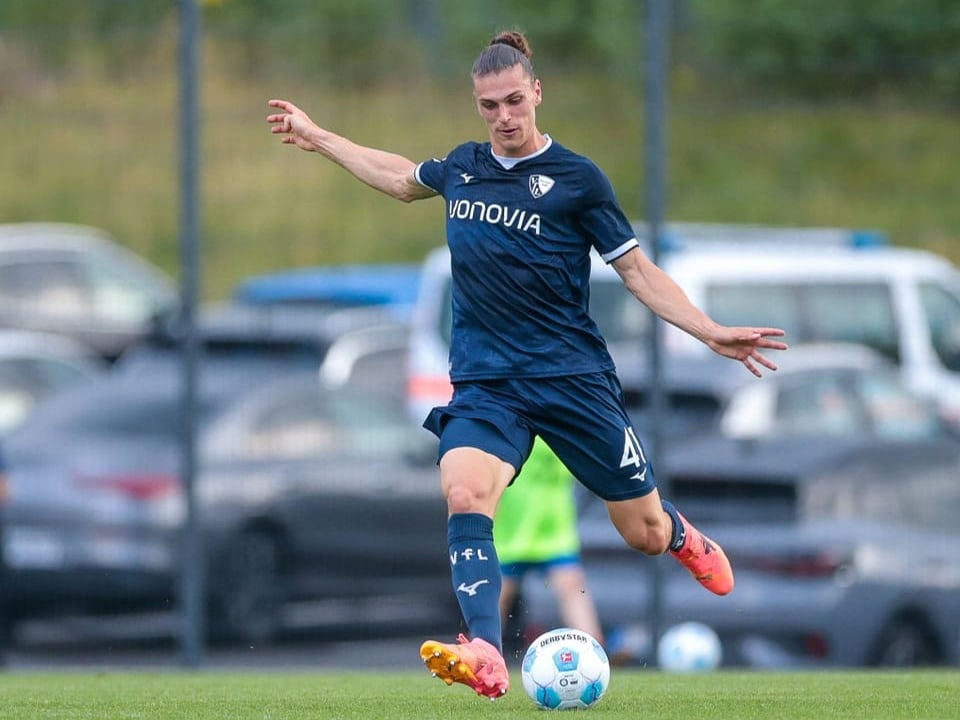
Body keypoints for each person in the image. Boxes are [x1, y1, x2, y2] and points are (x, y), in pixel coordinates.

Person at [267, 30, 787, 700]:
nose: (504, 116)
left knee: (644, 532)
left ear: (537, 93)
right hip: (488, 386)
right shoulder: (463, 167)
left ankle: (681, 532)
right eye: (490, 105)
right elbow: (399, 178)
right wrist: (321, 137)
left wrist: (710, 330)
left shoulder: (577, 180)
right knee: (464, 492)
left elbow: (636, 272)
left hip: (572, 381)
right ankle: (485, 647)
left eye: (514, 100)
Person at [495, 437, 603, 656]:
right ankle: (479, 657)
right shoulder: (516, 425)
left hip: (554, 528)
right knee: (496, 595)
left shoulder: (565, 425)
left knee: (572, 587)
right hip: (512, 528)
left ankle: (595, 654)